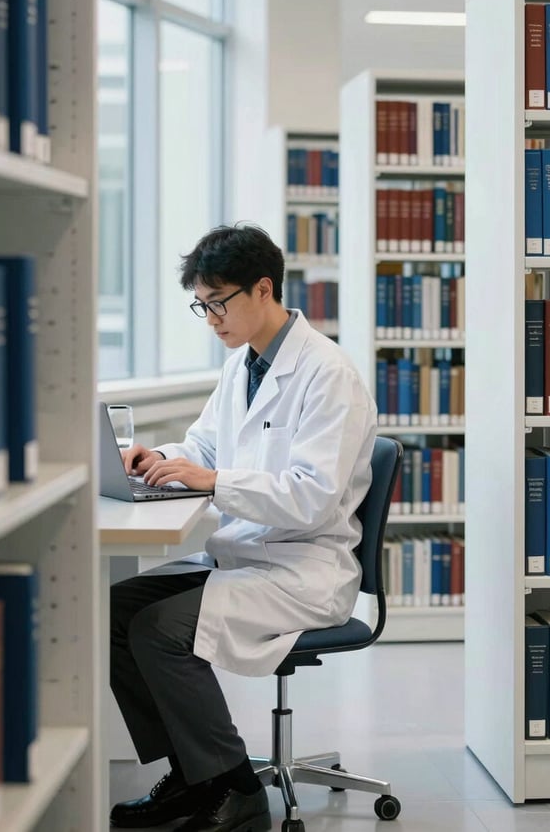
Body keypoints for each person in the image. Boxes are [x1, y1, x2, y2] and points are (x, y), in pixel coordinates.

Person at [109, 223, 377, 832]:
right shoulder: (244, 364)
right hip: (247, 555)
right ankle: (190, 776)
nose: (210, 319)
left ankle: (235, 791)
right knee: (114, 609)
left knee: (158, 630)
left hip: (304, 568)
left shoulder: (328, 374)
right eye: (201, 305)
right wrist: (163, 457)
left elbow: (311, 499)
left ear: (263, 289)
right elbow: (205, 441)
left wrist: (212, 482)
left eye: (218, 302)